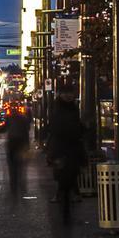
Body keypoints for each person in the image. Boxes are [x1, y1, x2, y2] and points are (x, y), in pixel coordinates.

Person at [46, 87, 86, 222]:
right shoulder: (59, 109)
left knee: (68, 173)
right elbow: (54, 129)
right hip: (63, 147)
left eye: (70, 93)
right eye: (65, 93)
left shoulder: (69, 109)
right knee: (64, 174)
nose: (68, 96)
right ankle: (67, 197)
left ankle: (66, 197)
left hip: (68, 147)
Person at [5, 102, 31, 202]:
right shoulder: (23, 118)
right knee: (20, 164)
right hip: (21, 142)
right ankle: (21, 183)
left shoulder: (9, 118)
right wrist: (27, 145)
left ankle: (13, 184)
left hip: (12, 143)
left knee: (12, 165)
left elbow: (6, 128)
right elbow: (26, 131)